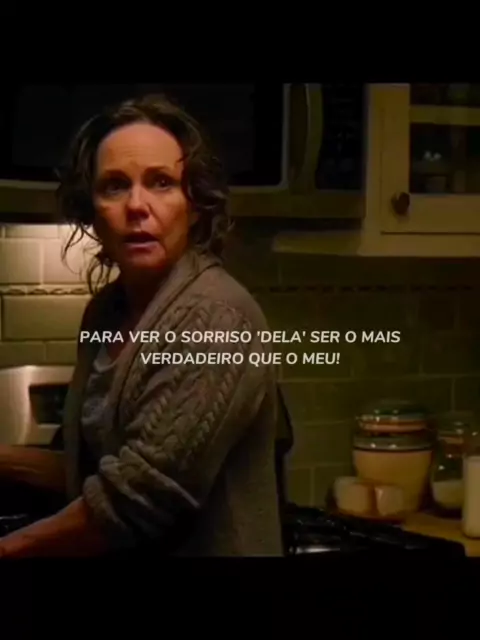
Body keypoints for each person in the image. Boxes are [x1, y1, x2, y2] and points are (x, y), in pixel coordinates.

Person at [0, 93, 283, 556]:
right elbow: (91, 475)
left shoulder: (216, 317)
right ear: (92, 210)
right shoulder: (105, 312)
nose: (136, 205)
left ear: (194, 205)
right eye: (114, 185)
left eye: (161, 182)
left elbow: (133, 501)